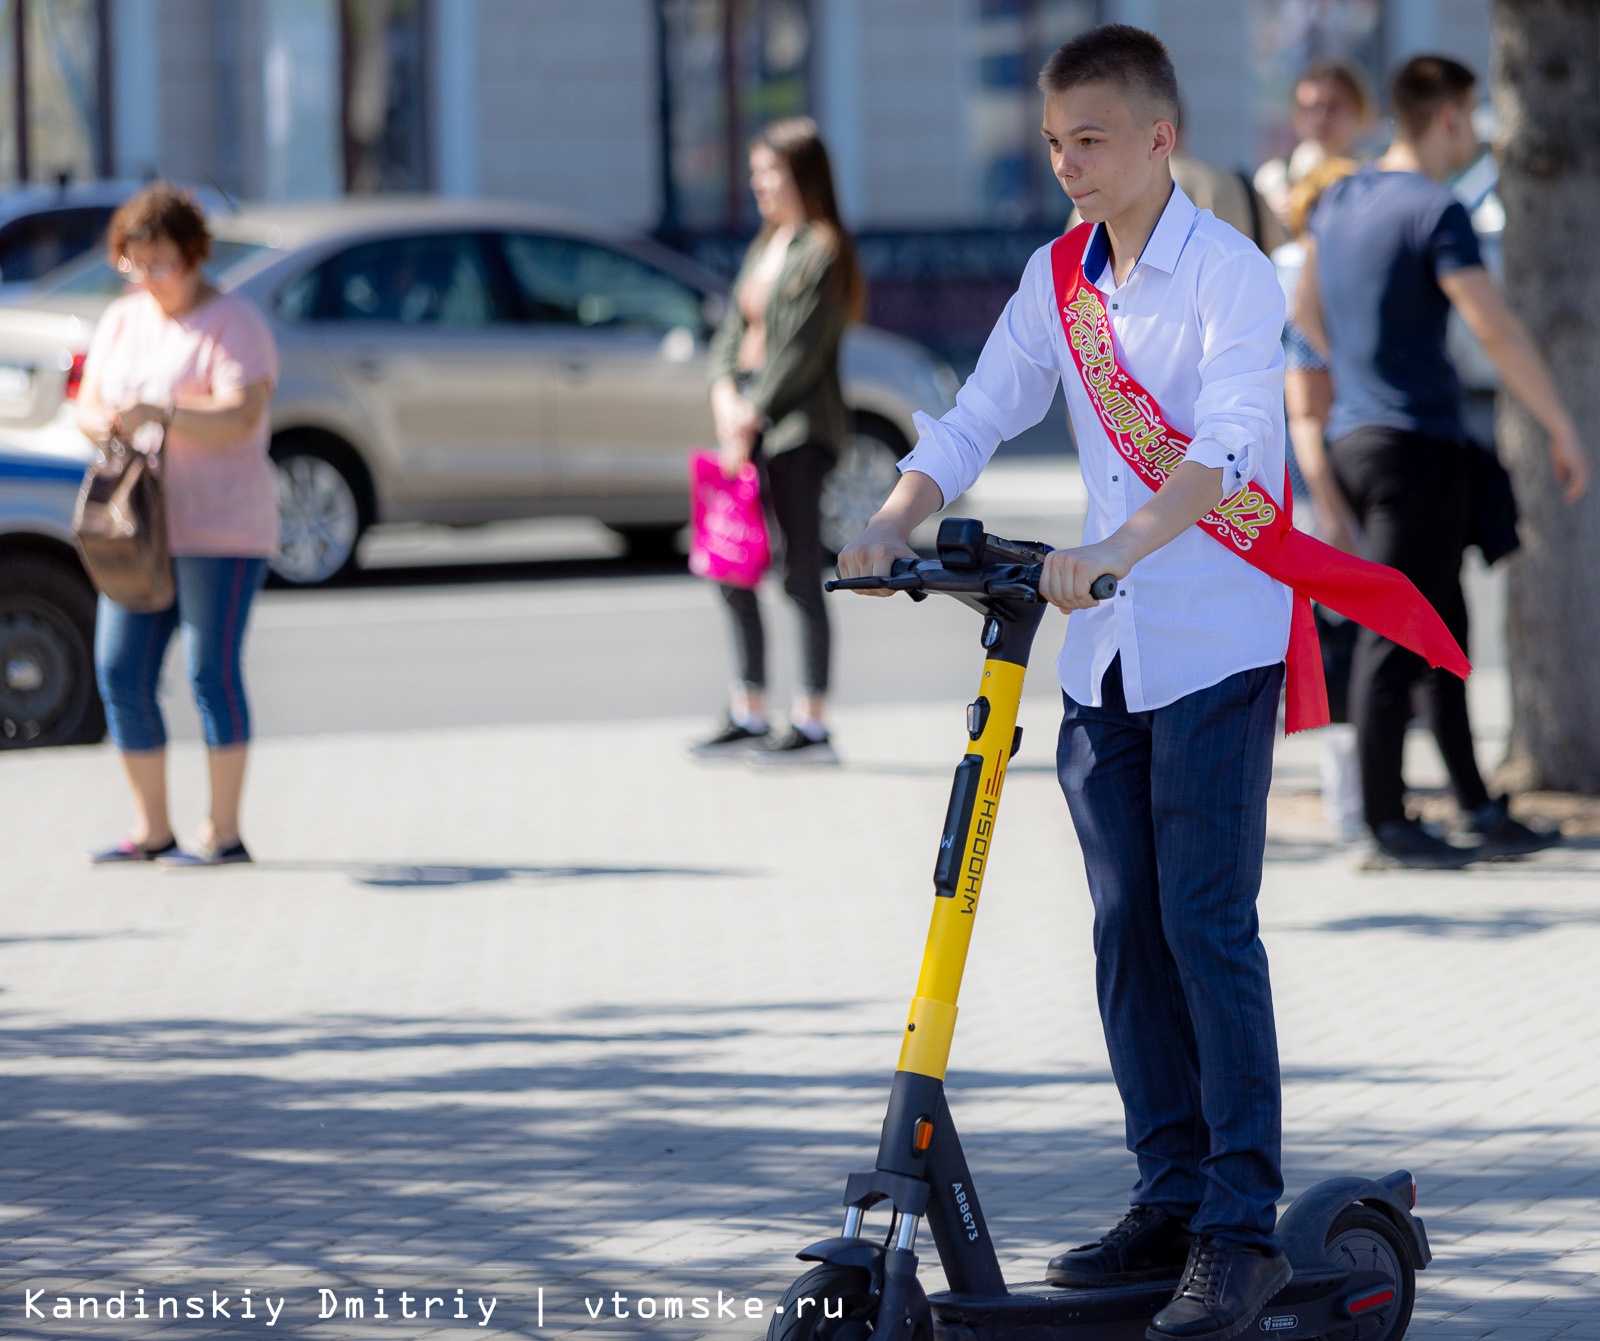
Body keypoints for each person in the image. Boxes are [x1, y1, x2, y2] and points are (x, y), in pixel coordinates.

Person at [843, 25, 1299, 1339]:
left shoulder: (1232, 278)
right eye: (1051, 143)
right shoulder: (1060, 281)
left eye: (1089, 139)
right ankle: (1169, 1194)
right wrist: (895, 514)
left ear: (1162, 138)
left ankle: (1239, 1227)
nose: (1066, 165)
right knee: (1123, 933)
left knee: (1206, 927)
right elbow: (979, 408)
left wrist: (1113, 549)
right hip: (1105, 662)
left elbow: (1227, 449)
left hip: (1213, 643)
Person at [1297, 55, 1589, 869]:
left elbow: (1305, 314)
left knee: (1439, 627)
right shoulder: (1437, 208)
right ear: (1452, 116)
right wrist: (1560, 422)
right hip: (1412, 447)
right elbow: (1492, 325)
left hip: (1360, 438)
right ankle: (1386, 824)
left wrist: (1358, 375)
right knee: (1396, 631)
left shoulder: (1339, 199)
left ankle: (1473, 804)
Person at [78, 184, 280, 867]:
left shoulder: (234, 322)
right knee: (119, 668)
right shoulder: (123, 319)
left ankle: (223, 833)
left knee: (208, 673)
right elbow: (88, 404)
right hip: (138, 526)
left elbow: (240, 416)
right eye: (135, 265)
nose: (149, 279)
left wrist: (163, 413)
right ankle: (151, 828)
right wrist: (108, 420)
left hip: (220, 526)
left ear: (194, 256)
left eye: (161, 264)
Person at [693, 117, 864, 766]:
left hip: (795, 431)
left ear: (803, 175)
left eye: (770, 172)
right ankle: (749, 709)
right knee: (731, 566)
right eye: (756, 173)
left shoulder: (824, 250)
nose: (759, 184)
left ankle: (813, 723)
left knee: (797, 573)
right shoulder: (768, 243)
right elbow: (732, 332)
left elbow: (800, 355)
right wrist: (723, 394)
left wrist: (749, 415)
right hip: (746, 421)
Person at [1270, 157, 1363, 840]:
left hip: (1319, 495)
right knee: (1329, 654)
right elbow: (1303, 413)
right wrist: (1329, 506)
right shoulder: (1311, 285)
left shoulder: (1325, 280)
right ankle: (1350, 808)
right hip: (1314, 499)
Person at [1254, 60, 1373, 227]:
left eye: (1333, 107)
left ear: (1358, 109)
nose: (1320, 118)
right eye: (1309, 108)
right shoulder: (1273, 178)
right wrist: (1268, 215)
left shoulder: (1375, 177)